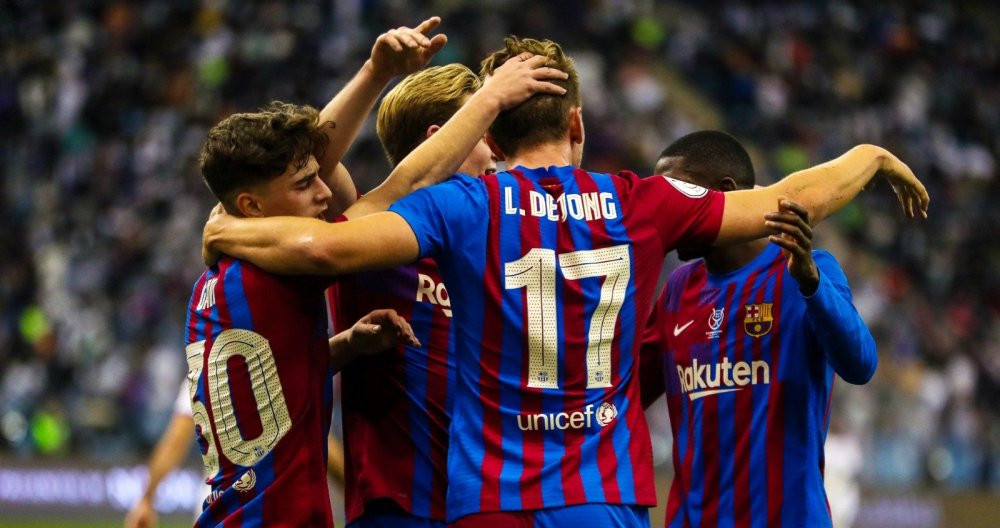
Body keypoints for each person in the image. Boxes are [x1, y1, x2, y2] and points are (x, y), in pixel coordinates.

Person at [201, 37, 927, 527]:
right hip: (601, 497)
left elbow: (330, 243)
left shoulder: (460, 205)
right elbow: (792, 198)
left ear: (489, 136)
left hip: (489, 499)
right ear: (577, 122)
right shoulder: (642, 201)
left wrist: (229, 227)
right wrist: (868, 154)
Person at [638, 130, 877, 527]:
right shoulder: (678, 290)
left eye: (680, 193)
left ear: (726, 193)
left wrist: (811, 283)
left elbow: (862, 365)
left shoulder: (804, 269)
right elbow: (624, 390)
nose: (668, 209)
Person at [330, 64, 496, 528]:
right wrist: (373, 72)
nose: (494, 153)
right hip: (400, 505)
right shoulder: (370, 233)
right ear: (445, 137)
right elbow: (313, 163)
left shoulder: (490, 236)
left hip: (487, 503)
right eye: (483, 134)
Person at [124, 382, 349, 528]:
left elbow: (175, 442)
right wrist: (357, 495)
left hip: (221, 509)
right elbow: (320, 442)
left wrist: (146, 500)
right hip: (283, 508)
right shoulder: (282, 366)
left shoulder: (203, 367)